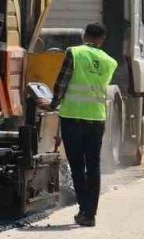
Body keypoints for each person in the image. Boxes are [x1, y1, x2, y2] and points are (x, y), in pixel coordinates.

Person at [39, 22, 119, 227]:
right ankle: (89, 213)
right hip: (96, 120)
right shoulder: (110, 61)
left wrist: (52, 104)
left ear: (85, 36)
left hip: (73, 119)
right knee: (93, 167)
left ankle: (84, 210)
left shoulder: (74, 53)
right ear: (102, 39)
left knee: (77, 166)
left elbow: (62, 82)